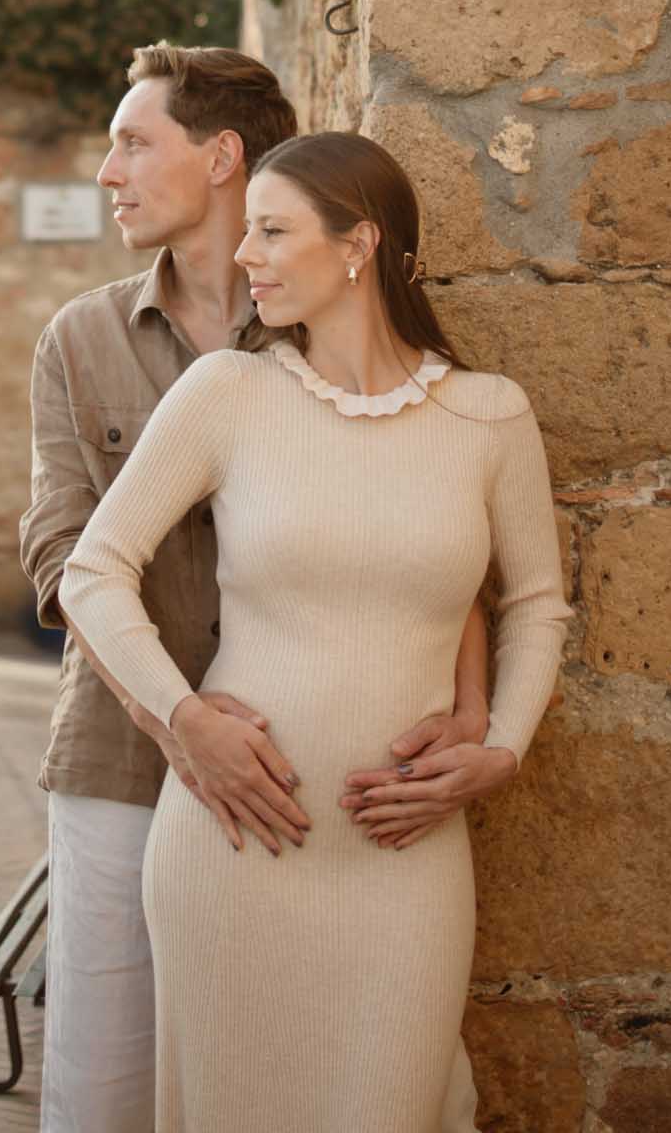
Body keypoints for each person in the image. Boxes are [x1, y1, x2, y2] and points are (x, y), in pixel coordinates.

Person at [57, 129, 571, 1133]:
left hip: (403, 856)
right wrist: (182, 720)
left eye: (271, 231)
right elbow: (92, 568)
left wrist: (502, 748)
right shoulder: (228, 394)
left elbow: (537, 602)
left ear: (357, 245)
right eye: (245, 232)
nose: (243, 255)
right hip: (235, 849)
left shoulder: (486, 416)